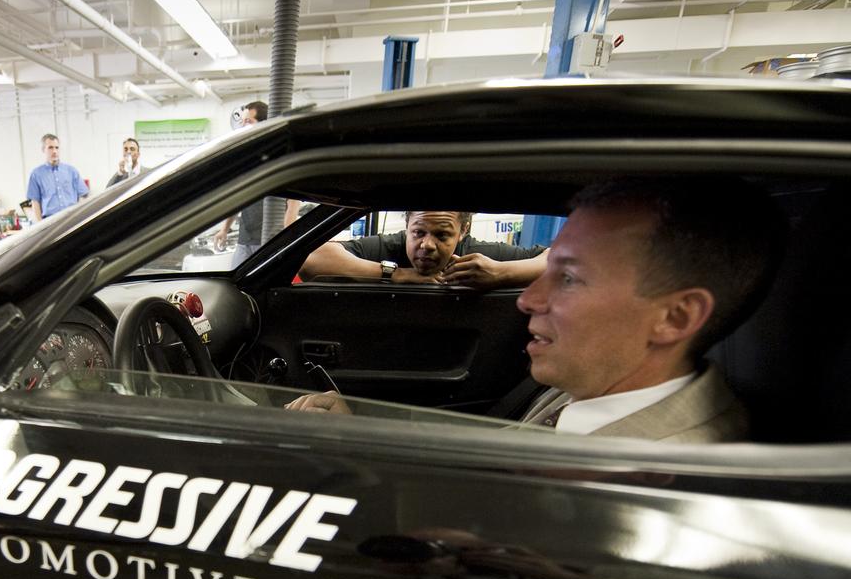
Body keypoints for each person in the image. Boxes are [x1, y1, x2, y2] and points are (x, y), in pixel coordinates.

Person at [288, 177, 782, 443]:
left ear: (675, 317)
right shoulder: (596, 390)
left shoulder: (656, 483)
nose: (528, 300)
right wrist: (362, 423)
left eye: (568, 277)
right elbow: (501, 446)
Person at [299, 210, 547, 289]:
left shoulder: (476, 255)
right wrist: (397, 274)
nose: (427, 245)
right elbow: (312, 259)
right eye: (418, 232)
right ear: (407, 226)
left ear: (463, 231)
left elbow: (560, 260)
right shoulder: (389, 247)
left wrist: (500, 273)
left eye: (442, 235)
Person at [213, 101, 269, 265]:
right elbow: (238, 198)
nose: (243, 126)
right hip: (245, 238)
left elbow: (292, 198)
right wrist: (225, 229)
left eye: (248, 121)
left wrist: (289, 227)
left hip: (268, 239)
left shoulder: (273, 155)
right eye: (242, 121)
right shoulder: (247, 158)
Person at [26, 133, 87, 222]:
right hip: (50, 221)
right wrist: (40, 225)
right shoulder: (36, 174)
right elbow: (35, 202)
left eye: (56, 147)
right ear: (43, 149)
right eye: (50, 148)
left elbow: (83, 196)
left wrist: (79, 217)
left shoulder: (71, 171)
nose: (54, 151)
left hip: (72, 219)